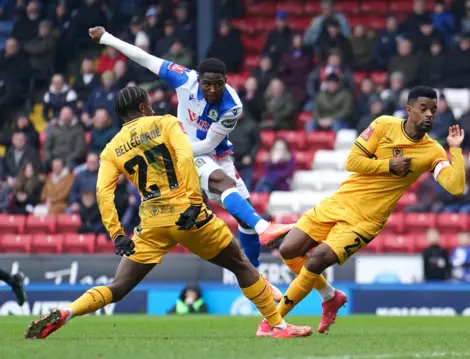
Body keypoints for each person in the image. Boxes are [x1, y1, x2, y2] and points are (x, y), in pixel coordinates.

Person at [25, 87, 311, 340]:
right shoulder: (164, 122)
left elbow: (103, 193)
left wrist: (116, 234)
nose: (151, 107)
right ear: (141, 108)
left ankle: (68, 311)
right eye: (148, 104)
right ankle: (275, 326)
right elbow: (186, 157)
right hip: (187, 214)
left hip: (152, 222)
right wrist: (193, 203)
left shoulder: (111, 148)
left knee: (119, 285)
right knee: (240, 264)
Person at [88, 26, 292, 301]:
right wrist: (107, 39)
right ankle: (264, 228)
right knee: (224, 185)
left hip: (212, 151)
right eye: (207, 84)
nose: (212, 89)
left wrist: (176, 148)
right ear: (199, 80)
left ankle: (258, 276)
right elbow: (145, 58)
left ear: (226, 81)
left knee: (243, 219)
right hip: (183, 152)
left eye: (218, 84)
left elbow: (208, 144)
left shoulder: (233, 105)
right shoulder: (184, 79)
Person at [257, 87, 466, 336]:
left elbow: (456, 187)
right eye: (423, 109)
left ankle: (274, 320)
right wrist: (388, 165)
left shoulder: (431, 151)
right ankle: (330, 296)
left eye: (433, 109)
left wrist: (455, 150)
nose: (429, 114)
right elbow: (352, 161)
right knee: (288, 250)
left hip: (366, 220)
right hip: (340, 202)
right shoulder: (384, 125)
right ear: (409, 109)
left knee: (317, 260)